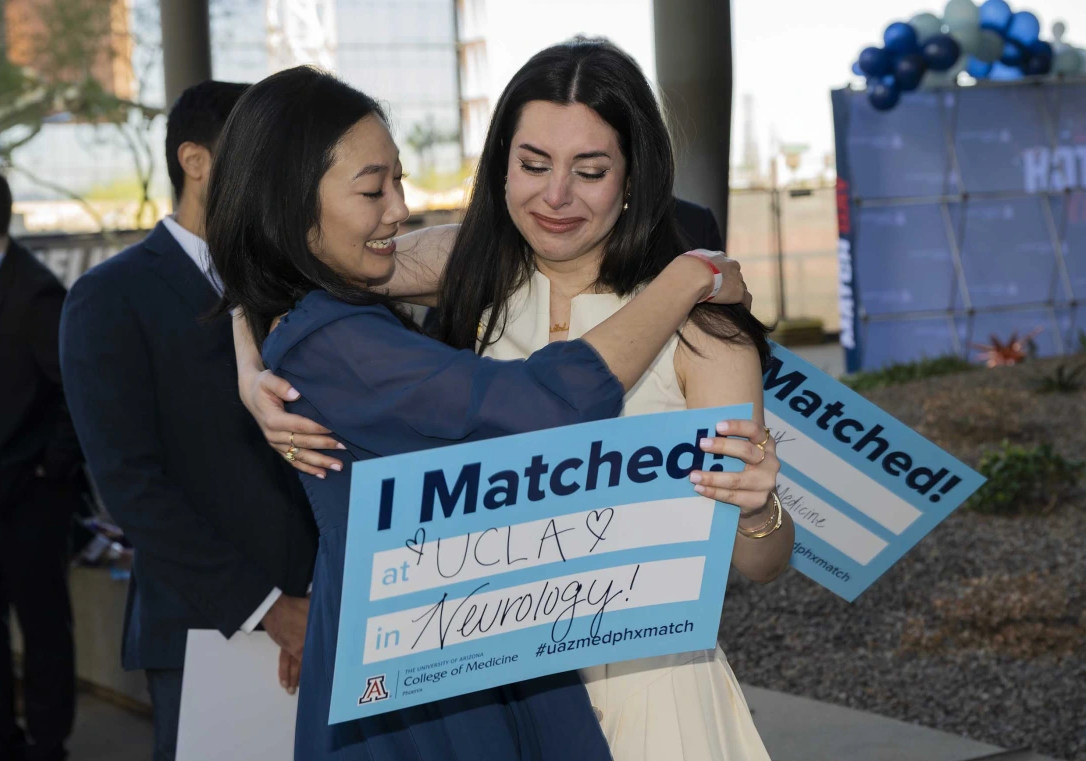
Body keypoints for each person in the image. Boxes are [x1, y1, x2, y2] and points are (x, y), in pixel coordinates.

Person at [241, 40, 792, 759]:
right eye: (533, 165)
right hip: (485, 690)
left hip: (646, 692)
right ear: (499, 164)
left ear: (633, 178)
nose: (555, 196)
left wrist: (758, 507)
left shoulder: (705, 330)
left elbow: (763, 564)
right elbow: (281, 263)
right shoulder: (467, 271)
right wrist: (250, 371)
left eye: (589, 171)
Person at [58, 81, 320, 761]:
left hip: (326, 614)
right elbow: (128, 485)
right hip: (210, 627)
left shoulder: (298, 285)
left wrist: (318, 593)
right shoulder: (108, 298)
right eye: (257, 153)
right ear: (196, 161)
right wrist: (269, 607)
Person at [0, 164, 81, 761]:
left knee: (43, 624)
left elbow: (74, 393)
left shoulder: (36, 291)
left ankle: (47, 747)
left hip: (28, 492)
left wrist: (48, 469)